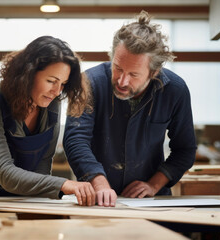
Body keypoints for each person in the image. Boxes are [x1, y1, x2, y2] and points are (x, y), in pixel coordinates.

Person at [63, 11, 197, 207]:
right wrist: (99, 183)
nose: (122, 81)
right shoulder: (87, 83)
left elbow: (185, 150)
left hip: (151, 202)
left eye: (134, 74)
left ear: (154, 72)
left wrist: (153, 184)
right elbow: (75, 139)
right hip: (95, 199)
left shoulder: (175, 90)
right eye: (117, 68)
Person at [0, 36, 95, 206]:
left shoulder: (52, 103)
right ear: (28, 74)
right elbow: (4, 172)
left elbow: (42, 165)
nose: (56, 91)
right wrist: (64, 184)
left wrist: (40, 205)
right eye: (51, 81)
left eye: (63, 84)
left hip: (17, 200)